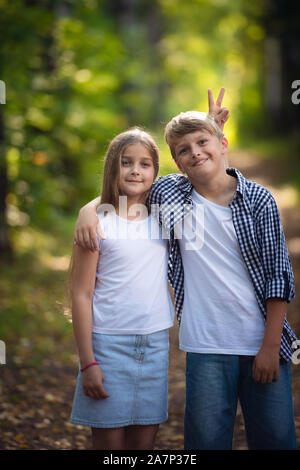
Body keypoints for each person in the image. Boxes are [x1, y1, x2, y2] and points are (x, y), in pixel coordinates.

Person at [74, 89, 298, 450]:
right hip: (205, 347)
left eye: (203, 142)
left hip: (261, 342)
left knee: (275, 438)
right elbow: (127, 184)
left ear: (223, 143)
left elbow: (278, 277)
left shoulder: (258, 199)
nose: (195, 152)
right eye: (183, 150)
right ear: (177, 163)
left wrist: (271, 345)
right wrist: (88, 211)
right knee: (205, 442)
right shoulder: (170, 196)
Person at [69, 127, 175, 450]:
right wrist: (88, 362)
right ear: (112, 166)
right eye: (126, 162)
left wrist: (213, 129)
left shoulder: (164, 216)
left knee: (143, 447)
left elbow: (199, 179)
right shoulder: (97, 222)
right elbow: (81, 294)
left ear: (155, 171)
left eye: (145, 164)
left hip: (155, 345)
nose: (135, 171)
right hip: (107, 347)